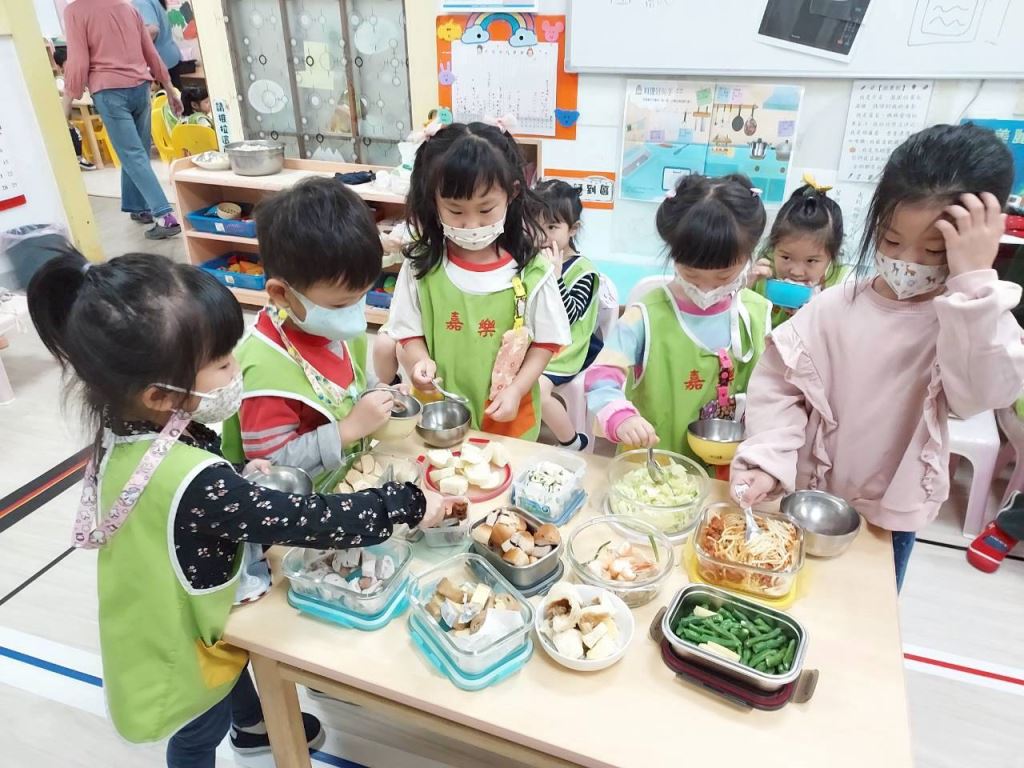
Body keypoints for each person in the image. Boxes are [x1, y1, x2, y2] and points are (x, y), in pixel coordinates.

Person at [26, 248, 441, 767]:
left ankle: (251, 724)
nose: (235, 369)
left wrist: (239, 477)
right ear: (159, 395)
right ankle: (232, 729)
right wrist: (404, 502)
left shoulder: (126, 426)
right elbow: (308, 520)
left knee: (229, 664)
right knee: (200, 730)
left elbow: (192, 497)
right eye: (222, 363)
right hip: (174, 638)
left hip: (171, 595)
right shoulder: (193, 480)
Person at [730, 123, 1024, 592]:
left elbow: (979, 396)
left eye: (934, 250)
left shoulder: (969, 319)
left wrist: (972, 284)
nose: (908, 261)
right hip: (807, 498)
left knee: (869, 611)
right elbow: (778, 389)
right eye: (890, 240)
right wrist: (767, 458)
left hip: (892, 515)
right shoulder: (832, 307)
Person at [389, 120, 571, 441]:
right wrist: (419, 363)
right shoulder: (422, 268)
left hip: (508, 416)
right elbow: (409, 331)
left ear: (512, 194)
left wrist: (517, 389)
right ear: (433, 201)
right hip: (442, 413)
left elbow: (545, 343)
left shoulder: (532, 271)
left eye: (486, 209)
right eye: (455, 211)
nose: (472, 224)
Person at [219, 178, 393, 486]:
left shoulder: (334, 326)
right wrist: (348, 430)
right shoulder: (264, 371)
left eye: (362, 296)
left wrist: (379, 390)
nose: (355, 315)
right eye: (341, 304)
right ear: (281, 294)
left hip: (347, 477)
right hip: (302, 502)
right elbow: (269, 468)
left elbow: (351, 381)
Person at [585, 174, 771, 462]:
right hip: (655, 466)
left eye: (724, 277)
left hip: (731, 467)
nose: (706, 289)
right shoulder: (646, 316)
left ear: (750, 257)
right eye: (691, 275)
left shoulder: (757, 314)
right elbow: (601, 376)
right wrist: (621, 417)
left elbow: (776, 391)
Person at [62, 0, 184, 239]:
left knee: (132, 154)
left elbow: (77, 61)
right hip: (141, 87)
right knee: (137, 153)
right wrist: (168, 87)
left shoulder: (75, 11)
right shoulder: (127, 7)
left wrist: (65, 105)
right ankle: (138, 206)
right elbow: (150, 51)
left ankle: (165, 216)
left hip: (109, 91)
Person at [534, 179, 601, 451]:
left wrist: (556, 277)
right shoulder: (534, 259)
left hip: (565, 350)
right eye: (536, 226)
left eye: (551, 227)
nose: (542, 235)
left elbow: (570, 316)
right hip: (536, 342)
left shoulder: (584, 271)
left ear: (573, 229)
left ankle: (572, 441)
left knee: (536, 389)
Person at [749, 174, 849, 326]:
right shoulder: (761, 275)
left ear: (832, 257)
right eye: (786, 258)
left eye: (811, 261)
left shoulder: (843, 287)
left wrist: (814, 320)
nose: (796, 272)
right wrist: (742, 288)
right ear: (773, 248)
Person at [132, 0, 183, 91]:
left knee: (168, 97)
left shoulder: (140, 2)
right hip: (169, 56)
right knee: (175, 95)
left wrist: (133, 46)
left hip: (161, 61)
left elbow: (152, 30)